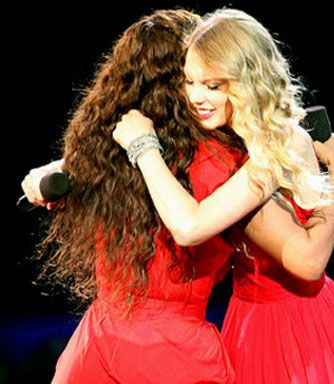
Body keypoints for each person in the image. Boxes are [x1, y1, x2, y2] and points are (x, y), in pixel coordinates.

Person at [112, 8, 334, 384]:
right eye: (190, 82)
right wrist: (62, 169)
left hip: (300, 331)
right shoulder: (225, 135)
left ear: (248, 80)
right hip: (248, 318)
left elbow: (305, 262)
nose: (195, 97)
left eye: (213, 85)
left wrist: (143, 147)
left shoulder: (278, 146)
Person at [20, 9, 252, 383]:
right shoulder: (224, 161)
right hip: (173, 354)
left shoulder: (108, 157)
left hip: (95, 349)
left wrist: (60, 166)